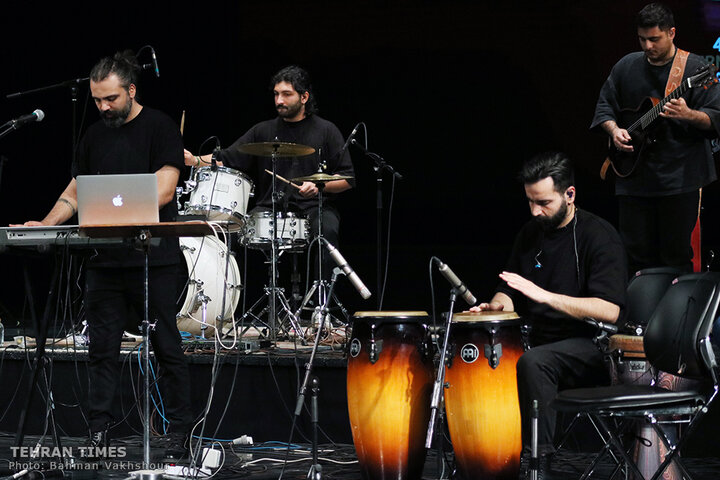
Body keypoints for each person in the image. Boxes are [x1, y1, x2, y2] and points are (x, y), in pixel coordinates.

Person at [14, 51, 192, 459]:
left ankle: (180, 432)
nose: (103, 107)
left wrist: (123, 210)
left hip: (154, 258)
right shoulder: (94, 134)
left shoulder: (160, 126)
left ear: (131, 90)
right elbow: (75, 191)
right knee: (102, 349)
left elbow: (164, 189)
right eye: (97, 100)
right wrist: (46, 223)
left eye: (110, 99)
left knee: (166, 346)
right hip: (105, 262)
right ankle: (99, 432)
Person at [471, 152, 627, 476]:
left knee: (535, 361)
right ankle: (486, 451)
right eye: (529, 201)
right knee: (481, 349)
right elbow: (511, 288)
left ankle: (537, 463)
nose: (534, 211)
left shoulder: (599, 236)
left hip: (590, 345)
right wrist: (497, 305)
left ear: (569, 195)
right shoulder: (531, 233)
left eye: (543, 202)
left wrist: (545, 296)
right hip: (538, 339)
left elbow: (609, 310)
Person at [184, 65, 355, 280]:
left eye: (286, 94)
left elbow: (347, 179)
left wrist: (319, 186)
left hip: (315, 207)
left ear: (304, 97)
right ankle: (234, 304)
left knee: (327, 233)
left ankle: (322, 305)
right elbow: (227, 157)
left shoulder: (326, 130)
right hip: (270, 207)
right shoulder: (263, 130)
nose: (279, 101)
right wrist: (195, 160)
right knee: (234, 236)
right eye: (276, 94)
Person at [591, 2, 720, 275]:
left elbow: (715, 117)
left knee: (676, 257)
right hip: (634, 178)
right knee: (636, 256)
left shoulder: (695, 68)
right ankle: (640, 317)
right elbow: (604, 107)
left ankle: (677, 317)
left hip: (680, 179)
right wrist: (614, 131)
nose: (647, 46)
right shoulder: (626, 66)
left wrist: (688, 115)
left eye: (654, 39)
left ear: (672, 33)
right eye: (642, 39)